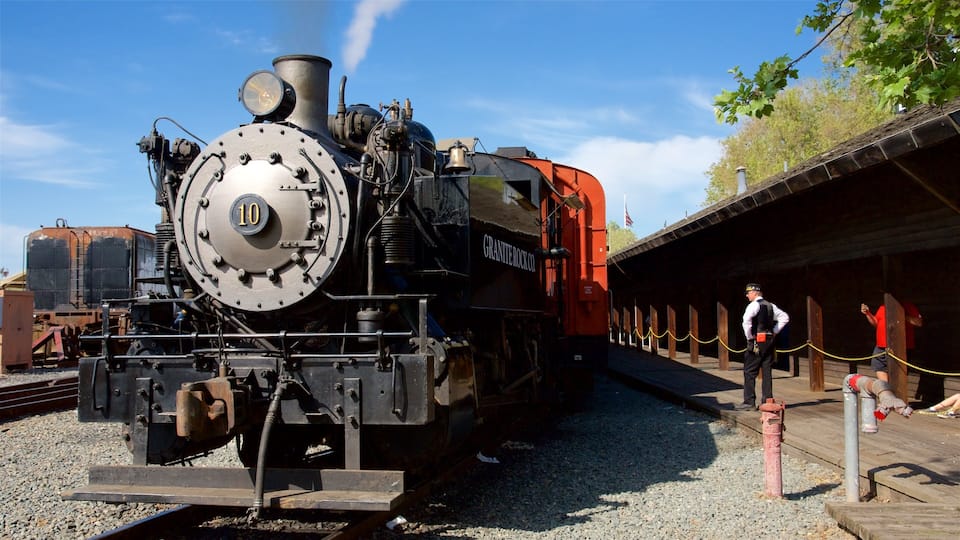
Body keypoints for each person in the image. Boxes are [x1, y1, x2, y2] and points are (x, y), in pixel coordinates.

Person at [737, 283, 790, 410]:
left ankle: (749, 402)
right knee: (767, 371)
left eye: (748, 293)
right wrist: (774, 331)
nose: (747, 295)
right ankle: (767, 400)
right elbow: (785, 318)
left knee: (749, 371)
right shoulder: (771, 305)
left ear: (755, 292)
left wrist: (749, 337)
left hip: (756, 340)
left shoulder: (753, 305)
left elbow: (746, 322)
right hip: (769, 341)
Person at [860, 300, 922, 382]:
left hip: (900, 346)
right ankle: (887, 390)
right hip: (881, 345)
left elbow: (918, 322)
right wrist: (867, 313)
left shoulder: (907, 305)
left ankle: (890, 392)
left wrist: (901, 314)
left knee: (898, 371)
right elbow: (876, 323)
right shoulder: (883, 307)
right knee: (878, 366)